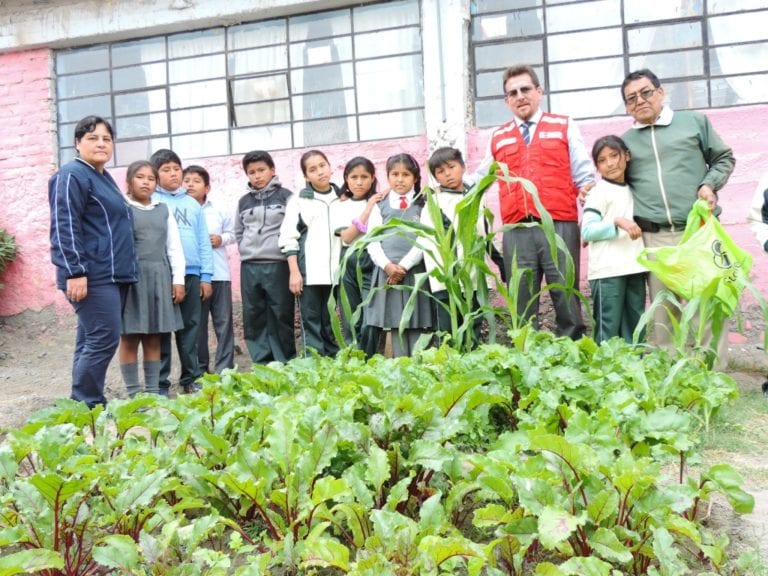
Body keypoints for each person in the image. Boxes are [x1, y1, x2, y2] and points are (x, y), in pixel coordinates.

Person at [621, 69, 735, 359]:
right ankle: (669, 374)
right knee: (663, 311)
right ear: (626, 107)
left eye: (646, 92)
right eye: (632, 98)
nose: (640, 101)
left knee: (705, 305)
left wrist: (709, 184)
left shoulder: (693, 122)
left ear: (661, 92)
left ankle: (710, 373)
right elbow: (614, 178)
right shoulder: (625, 142)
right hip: (653, 236)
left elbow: (723, 158)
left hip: (697, 230)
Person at [476, 64, 595, 339]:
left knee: (566, 297)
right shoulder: (498, 136)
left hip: (560, 226)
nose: (520, 96)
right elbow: (481, 177)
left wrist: (589, 216)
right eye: (512, 93)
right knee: (521, 301)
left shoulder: (563, 125)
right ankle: (527, 362)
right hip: (517, 231)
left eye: (525, 89)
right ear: (507, 101)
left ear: (539, 91)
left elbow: (584, 176)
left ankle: (571, 359)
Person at [48, 115, 137, 408]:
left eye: (106, 138)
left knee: (90, 339)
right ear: (77, 143)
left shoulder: (102, 177)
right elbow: (64, 224)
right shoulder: (72, 174)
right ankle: (88, 402)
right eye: (92, 138)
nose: (101, 143)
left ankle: (81, 405)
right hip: (91, 274)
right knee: (103, 338)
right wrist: (74, 270)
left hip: (112, 274)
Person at [423, 146, 502, 347]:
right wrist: (454, 273)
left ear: (463, 167)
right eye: (440, 172)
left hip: (475, 279)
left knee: (473, 329)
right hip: (446, 280)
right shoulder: (435, 202)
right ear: (435, 177)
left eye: (451, 167)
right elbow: (434, 240)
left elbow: (485, 235)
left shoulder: (476, 198)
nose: (447, 174)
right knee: (448, 333)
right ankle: (449, 374)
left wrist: (501, 264)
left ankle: (471, 369)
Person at [150, 149, 214, 395]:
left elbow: (203, 241)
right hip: (164, 275)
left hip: (192, 274)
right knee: (163, 329)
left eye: (176, 168)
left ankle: (191, 378)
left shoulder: (192, 204)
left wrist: (205, 276)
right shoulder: (154, 201)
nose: (173, 173)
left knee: (190, 329)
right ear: (156, 174)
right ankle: (160, 383)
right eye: (166, 170)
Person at [119, 161, 185, 396]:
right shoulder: (122, 208)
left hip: (159, 277)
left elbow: (174, 247)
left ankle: (152, 391)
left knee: (154, 336)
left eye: (150, 178)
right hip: (131, 279)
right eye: (140, 177)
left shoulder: (162, 209)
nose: (146, 182)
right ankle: (133, 394)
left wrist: (178, 280)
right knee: (129, 337)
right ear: (129, 181)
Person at [581, 136, 646, 344]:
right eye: (602, 160)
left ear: (627, 156)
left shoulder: (635, 188)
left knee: (635, 328)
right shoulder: (598, 192)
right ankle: (606, 372)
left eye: (614, 155)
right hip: (607, 272)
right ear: (597, 167)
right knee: (608, 330)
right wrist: (617, 221)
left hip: (634, 267)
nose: (610, 163)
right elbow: (588, 231)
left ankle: (633, 371)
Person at [366, 153, 433, 357]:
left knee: (417, 319)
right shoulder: (380, 206)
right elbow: (372, 241)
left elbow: (425, 238)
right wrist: (388, 266)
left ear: (414, 177)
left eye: (405, 174)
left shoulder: (424, 203)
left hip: (414, 271)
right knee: (395, 321)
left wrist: (404, 266)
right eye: (394, 174)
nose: (400, 179)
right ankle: (400, 364)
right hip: (388, 274)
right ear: (387, 177)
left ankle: (420, 365)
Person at [279, 149, 342, 357]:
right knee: (311, 320)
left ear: (330, 166)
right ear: (306, 176)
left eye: (322, 165)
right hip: (310, 272)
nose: (320, 172)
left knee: (331, 318)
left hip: (336, 272)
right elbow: (289, 237)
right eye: (312, 169)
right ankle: (314, 364)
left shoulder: (343, 196)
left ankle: (333, 361)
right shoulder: (299, 199)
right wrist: (294, 272)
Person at [235, 150, 296, 363]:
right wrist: (245, 249)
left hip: (278, 264)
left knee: (280, 313)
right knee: (253, 315)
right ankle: (262, 362)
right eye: (251, 172)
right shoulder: (244, 202)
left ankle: (285, 361)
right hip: (250, 266)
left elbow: (294, 228)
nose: (257, 176)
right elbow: (239, 231)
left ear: (272, 170)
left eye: (261, 170)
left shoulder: (287, 197)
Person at [183, 165, 236, 374]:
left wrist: (221, 239)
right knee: (198, 326)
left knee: (224, 325)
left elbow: (234, 233)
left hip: (220, 274)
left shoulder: (219, 209)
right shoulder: (181, 211)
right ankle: (200, 370)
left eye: (196, 181)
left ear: (207, 187)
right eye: (186, 180)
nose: (190, 184)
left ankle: (225, 370)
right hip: (195, 276)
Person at [331, 156, 385, 356]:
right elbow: (346, 237)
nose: (359, 182)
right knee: (349, 312)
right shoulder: (340, 205)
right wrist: (368, 208)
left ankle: (369, 355)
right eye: (354, 177)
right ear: (346, 179)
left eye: (364, 177)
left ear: (372, 178)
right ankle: (353, 355)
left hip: (373, 259)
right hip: (348, 261)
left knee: (371, 311)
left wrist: (375, 202)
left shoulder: (382, 202)